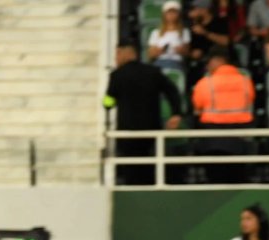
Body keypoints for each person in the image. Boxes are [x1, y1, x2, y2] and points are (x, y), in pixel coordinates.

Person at [103, 39, 183, 184]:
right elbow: (172, 91)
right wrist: (176, 113)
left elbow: (108, 103)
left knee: (131, 169)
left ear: (123, 53)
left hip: (127, 132)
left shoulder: (117, 75)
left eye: (117, 54)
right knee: (151, 166)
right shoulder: (153, 72)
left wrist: (110, 101)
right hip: (151, 129)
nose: (116, 58)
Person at [192, 45, 255, 157]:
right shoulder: (246, 81)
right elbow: (250, 99)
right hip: (241, 131)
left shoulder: (205, 82)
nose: (207, 66)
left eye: (208, 62)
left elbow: (197, 107)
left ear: (218, 60)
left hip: (212, 133)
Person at [147, 1, 191, 70]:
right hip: (160, 62)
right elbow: (150, 54)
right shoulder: (156, 32)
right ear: (164, 15)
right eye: (169, 12)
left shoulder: (184, 32)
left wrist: (180, 50)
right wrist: (160, 50)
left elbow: (187, 52)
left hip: (176, 62)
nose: (171, 15)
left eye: (174, 12)